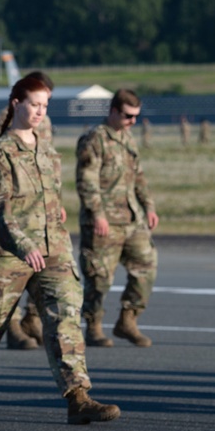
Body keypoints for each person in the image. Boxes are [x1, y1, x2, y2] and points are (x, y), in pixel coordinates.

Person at [0, 76, 121, 425]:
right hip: (7, 252)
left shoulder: (48, 150)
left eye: (45, 106)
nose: (40, 112)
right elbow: (0, 211)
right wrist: (24, 246)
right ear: (16, 104)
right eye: (34, 105)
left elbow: (47, 195)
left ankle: (78, 396)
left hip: (52, 248)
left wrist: (55, 210)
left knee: (65, 315)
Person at [76, 89, 158, 348]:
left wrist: (149, 207)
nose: (132, 121)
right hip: (104, 223)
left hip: (132, 219)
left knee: (146, 266)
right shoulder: (94, 140)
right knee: (99, 277)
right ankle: (93, 326)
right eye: (127, 116)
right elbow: (86, 182)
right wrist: (98, 215)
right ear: (112, 111)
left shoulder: (128, 138)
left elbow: (139, 176)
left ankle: (128, 320)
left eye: (136, 117)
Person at [0, 71, 57, 351]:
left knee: (42, 266)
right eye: (38, 101)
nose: (42, 109)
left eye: (46, 102)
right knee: (7, 274)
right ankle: (12, 327)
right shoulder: (2, 121)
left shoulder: (44, 122)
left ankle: (31, 319)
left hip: (38, 211)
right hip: (12, 207)